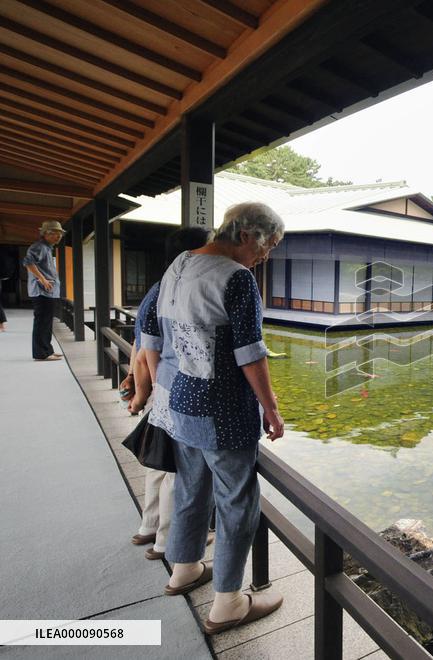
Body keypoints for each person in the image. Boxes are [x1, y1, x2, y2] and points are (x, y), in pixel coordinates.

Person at [141, 203, 285, 634]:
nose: (266, 255)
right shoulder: (236, 277)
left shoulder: (180, 264)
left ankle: (184, 569)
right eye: (268, 245)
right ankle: (228, 603)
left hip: (180, 399)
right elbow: (250, 353)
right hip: (222, 406)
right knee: (238, 501)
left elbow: (160, 333)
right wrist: (271, 408)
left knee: (190, 487)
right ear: (247, 235)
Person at [123, 227, 213, 561]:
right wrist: (146, 390)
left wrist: (142, 388)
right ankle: (166, 540)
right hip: (174, 391)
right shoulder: (174, 290)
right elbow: (147, 352)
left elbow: (139, 346)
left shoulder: (160, 287)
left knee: (159, 464)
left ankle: (149, 526)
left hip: (162, 390)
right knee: (177, 470)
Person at [23, 220, 65, 360]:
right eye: (54, 233)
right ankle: (41, 353)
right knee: (42, 322)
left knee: (46, 322)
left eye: (59, 233)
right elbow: (28, 262)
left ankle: (47, 350)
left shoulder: (47, 248)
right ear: (45, 234)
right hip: (41, 291)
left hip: (48, 291)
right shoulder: (39, 246)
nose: (58, 236)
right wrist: (42, 279)